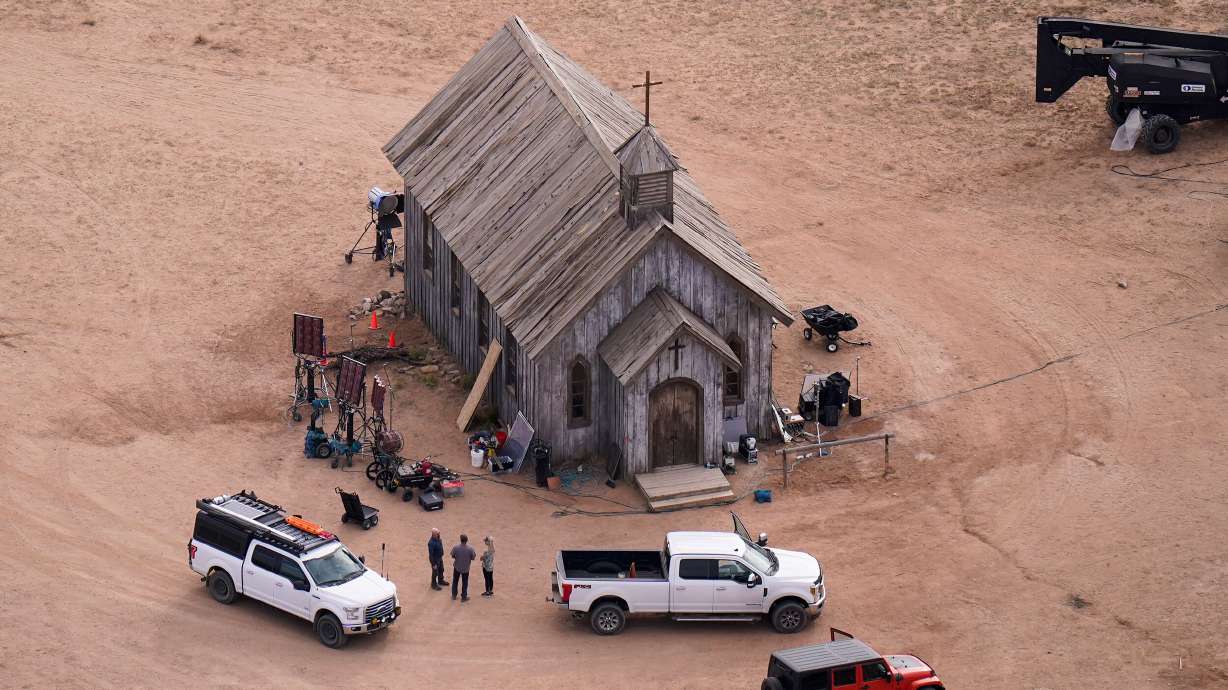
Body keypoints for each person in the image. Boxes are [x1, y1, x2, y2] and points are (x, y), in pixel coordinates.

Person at [450, 533, 477, 601]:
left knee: (455, 581)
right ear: (467, 540)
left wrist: (457, 557)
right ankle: (464, 597)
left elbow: (452, 555)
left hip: (457, 567)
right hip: (466, 568)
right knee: (465, 582)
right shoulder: (470, 549)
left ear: (460, 540)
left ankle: (454, 595)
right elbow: (473, 558)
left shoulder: (456, 547)